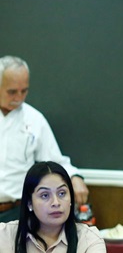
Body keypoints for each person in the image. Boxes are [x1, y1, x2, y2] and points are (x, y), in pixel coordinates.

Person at [0, 56, 89, 223]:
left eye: (24, 91)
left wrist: (75, 177)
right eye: (12, 92)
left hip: (17, 212)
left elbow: (55, 161)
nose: (19, 98)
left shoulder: (34, 119)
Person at [0, 161, 108, 253]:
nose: (56, 202)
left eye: (62, 193)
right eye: (45, 195)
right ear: (29, 203)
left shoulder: (89, 236)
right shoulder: (4, 233)